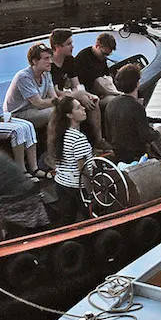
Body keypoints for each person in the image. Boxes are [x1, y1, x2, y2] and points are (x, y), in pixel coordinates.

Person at [50, 28, 102, 141]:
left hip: (67, 94)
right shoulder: (49, 65)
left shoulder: (69, 60)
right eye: (68, 44)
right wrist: (78, 95)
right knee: (75, 106)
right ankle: (76, 141)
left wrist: (84, 94)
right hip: (55, 97)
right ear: (58, 46)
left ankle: (98, 140)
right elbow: (56, 93)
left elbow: (76, 84)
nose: (72, 47)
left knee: (94, 100)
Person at [101, 63, 159, 163]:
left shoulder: (111, 104)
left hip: (119, 154)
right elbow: (146, 136)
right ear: (137, 84)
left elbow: (108, 134)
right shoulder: (136, 107)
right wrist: (158, 131)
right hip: (137, 155)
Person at [49, 95, 93, 224]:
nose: (84, 109)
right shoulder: (79, 139)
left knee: (67, 221)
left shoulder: (59, 134)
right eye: (78, 108)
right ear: (69, 115)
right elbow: (83, 171)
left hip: (61, 184)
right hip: (77, 188)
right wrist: (91, 193)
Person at [6, 43, 60, 141]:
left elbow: (54, 97)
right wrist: (60, 103)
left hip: (35, 110)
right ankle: (55, 149)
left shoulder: (46, 73)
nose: (50, 61)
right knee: (56, 112)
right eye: (46, 59)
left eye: (50, 58)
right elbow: (38, 103)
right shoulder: (24, 77)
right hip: (18, 114)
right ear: (35, 61)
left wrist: (62, 103)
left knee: (72, 109)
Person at [71, 32, 119, 97]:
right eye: (104, 54)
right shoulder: (82, 58)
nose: (105, 57)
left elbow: (106, 74)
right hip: (89, 92)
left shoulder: (102, 58)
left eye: (108, 55)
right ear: (97, 46)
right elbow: (78, 83)